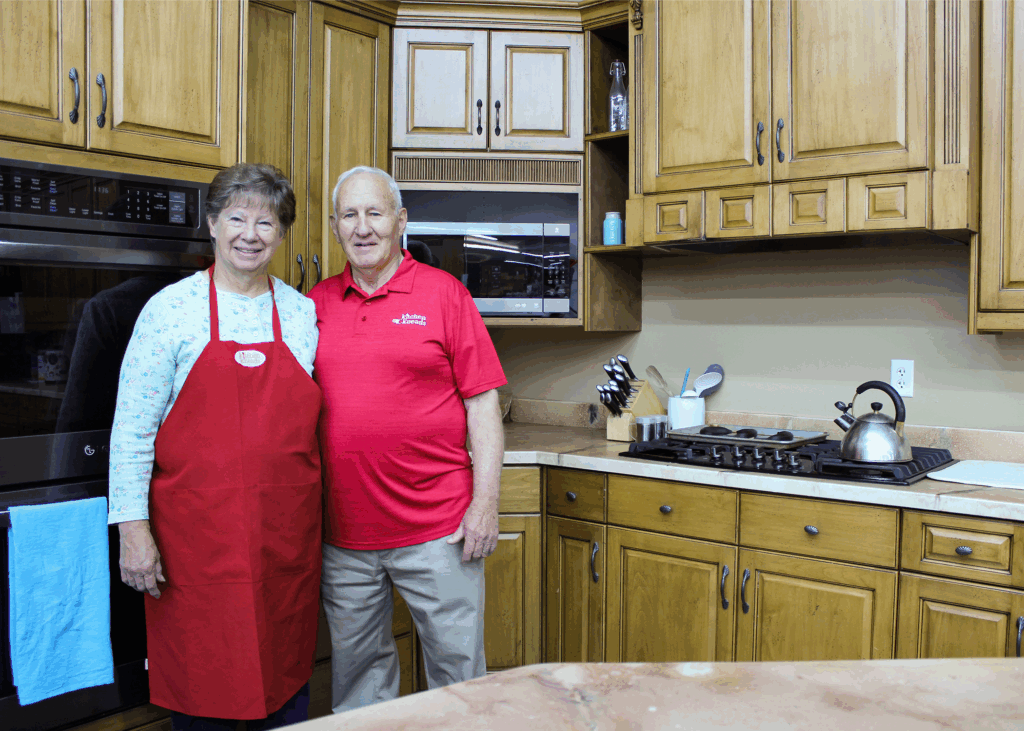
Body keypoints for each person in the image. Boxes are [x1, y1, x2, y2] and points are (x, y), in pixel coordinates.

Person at [108, 163, 322, 730]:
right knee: (205, 693)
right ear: (212, 224)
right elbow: (131, 430)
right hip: (194, 550)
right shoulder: (169, 311)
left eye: (267, 221)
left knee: (284, 691)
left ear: (281, 234)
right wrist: (133, 531)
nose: (250, 233)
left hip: (284, 545)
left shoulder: (302, 316)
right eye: (237, 217)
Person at [308, 166, 506, 712]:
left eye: (375, 213)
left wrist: (484, 505)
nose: (362, 227)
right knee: (359, 685)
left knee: (459, 681)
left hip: (439, 529)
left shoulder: (444, 295)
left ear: (400, 221)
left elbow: (482, 404)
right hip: (344, 537)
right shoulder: (314, 305)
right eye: (349, 215)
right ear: (334, 226)